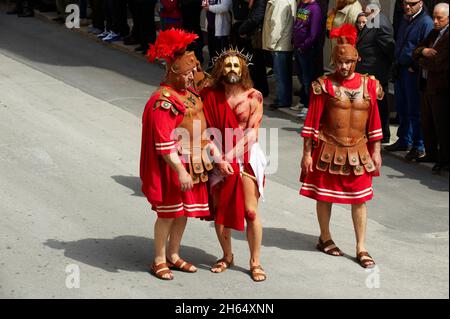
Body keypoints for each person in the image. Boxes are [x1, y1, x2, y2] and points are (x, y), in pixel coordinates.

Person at [299, 24, 384, 269]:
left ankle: (361, 247)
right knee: (325, 196)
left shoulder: (369, 85)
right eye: (339, 62)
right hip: (328, 149)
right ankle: (324, 237)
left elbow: (374, 121)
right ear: (333, 61)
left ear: (356, 60)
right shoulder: (323, 85)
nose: (343, 67)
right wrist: (306, 154)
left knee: (360, 199)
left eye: (348, 62)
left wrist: (376, 151)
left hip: (359, 150)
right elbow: (312, 122)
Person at [140, 29, 215, 280]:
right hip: (173, 168)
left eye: (193, 71)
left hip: (193, 164)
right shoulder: (164, 101)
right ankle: (159, 260)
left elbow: (203, 132)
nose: (193, 76)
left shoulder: (191, 96)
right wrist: (180, 170)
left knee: (184, 213)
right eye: (187, 73)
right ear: (174, 72)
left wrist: (217, 157)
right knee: (168, 214)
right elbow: (163, 145)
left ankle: (174, 255)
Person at [201, 49, 267, 282]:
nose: (232, 70)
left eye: (236, 66)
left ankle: (255, 262)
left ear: (243, 69)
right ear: (220, 68)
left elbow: (252, 135)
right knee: (220, 210)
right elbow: (203, 130)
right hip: (217, 155)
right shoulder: (209, 95)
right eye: (227, 65)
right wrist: (218, 156)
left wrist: (229, 156)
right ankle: (226, 256)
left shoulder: (254, 96)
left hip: (245, 156)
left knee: (250, 211)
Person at [385, 0, 434, 160]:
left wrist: (415, 65)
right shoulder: (406, 19)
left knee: (415, 109)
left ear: (420, 3)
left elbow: (427, 46)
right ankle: (404, 139)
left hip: (413, 72)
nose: (407, 6)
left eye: (411, 3)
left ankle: (418, 144)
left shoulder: (426, 22)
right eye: (405, 3)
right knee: (402, 107)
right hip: (401, 68)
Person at [413, 2, 449, 173]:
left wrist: (423, 58)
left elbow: (440, 62)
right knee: (427, 122)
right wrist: (424, 52)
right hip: (426, 84)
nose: (435, 21)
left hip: (441, 87)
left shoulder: (448, 36)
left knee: (441, 124)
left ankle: (444, 160)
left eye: (439, 18)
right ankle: (431, 153)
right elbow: (417, 50)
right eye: (434, 17)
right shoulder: (434, 33)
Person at [356, 0, 395, 144]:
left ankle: (383, 134)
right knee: (372, 105)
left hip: (376, 71)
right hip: (368, 70)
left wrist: (384, 67)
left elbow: (389, 48)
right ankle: (373, 132)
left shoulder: (381, 23)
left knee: (380, 105)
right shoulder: (373, 20)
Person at [262, 0, 296, 109]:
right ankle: (284, 99)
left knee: (281, 75)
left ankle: (282, 100)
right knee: (285, 74)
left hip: (279, 44)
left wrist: (270, 44)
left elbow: (276, 26)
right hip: (285, 43)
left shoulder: (280, 2)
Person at [292, 0, 323, 119]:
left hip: (307, 49)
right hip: (297, 47)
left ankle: (308, 106)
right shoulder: (301, 5)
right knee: (300, 76)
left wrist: (304, 46)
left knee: (307, 78)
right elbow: (297, 24)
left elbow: (314, 33)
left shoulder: (315, 8)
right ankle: (303, 101)